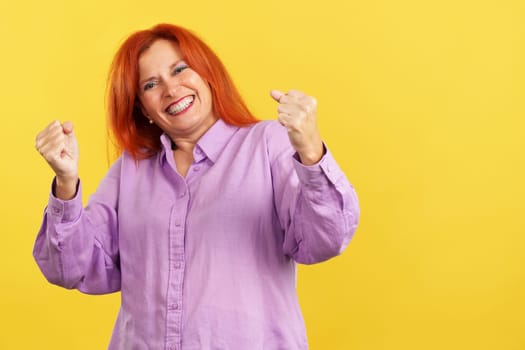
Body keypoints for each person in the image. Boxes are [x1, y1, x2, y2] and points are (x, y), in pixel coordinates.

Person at [33, 23, 360, 350]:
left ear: (206, 73)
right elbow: (73, 268)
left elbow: (325, 238)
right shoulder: (130, 170)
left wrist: (311, 150)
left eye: (180, 69)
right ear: (142, 109)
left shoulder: (267, 143)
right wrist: (66, 181)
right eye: (150, 84)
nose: (171, 89)